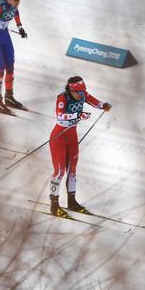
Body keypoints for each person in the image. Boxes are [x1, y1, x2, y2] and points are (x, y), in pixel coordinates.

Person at [48, 76, 112, 216]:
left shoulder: (82, 94)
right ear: (71, 90)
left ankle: (72, 201)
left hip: (72, 136)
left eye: (83, 91)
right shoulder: (63, 98)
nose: (82, 95)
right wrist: (78, 115)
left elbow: (94, 101)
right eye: (79, 92)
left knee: (72, 170)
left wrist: (103, 105)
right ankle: (54, 205)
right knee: (59, 172)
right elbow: (59, 116)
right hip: (59, 136)